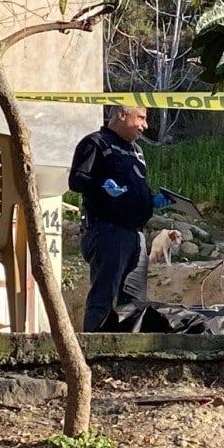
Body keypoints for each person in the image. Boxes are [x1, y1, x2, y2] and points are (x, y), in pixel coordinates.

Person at [68, 105, 169, 332]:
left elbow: (135, 187)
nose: (145, 126)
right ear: (122, 115)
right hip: (107, 231)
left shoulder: (136, 151)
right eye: (141, 118)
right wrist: (102, 186)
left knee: (135, 303)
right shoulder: (96, 143)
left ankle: (130, 354)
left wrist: (151, 200)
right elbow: (76, 180)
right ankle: (92, 351)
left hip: (136, 236)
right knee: (104, 295)